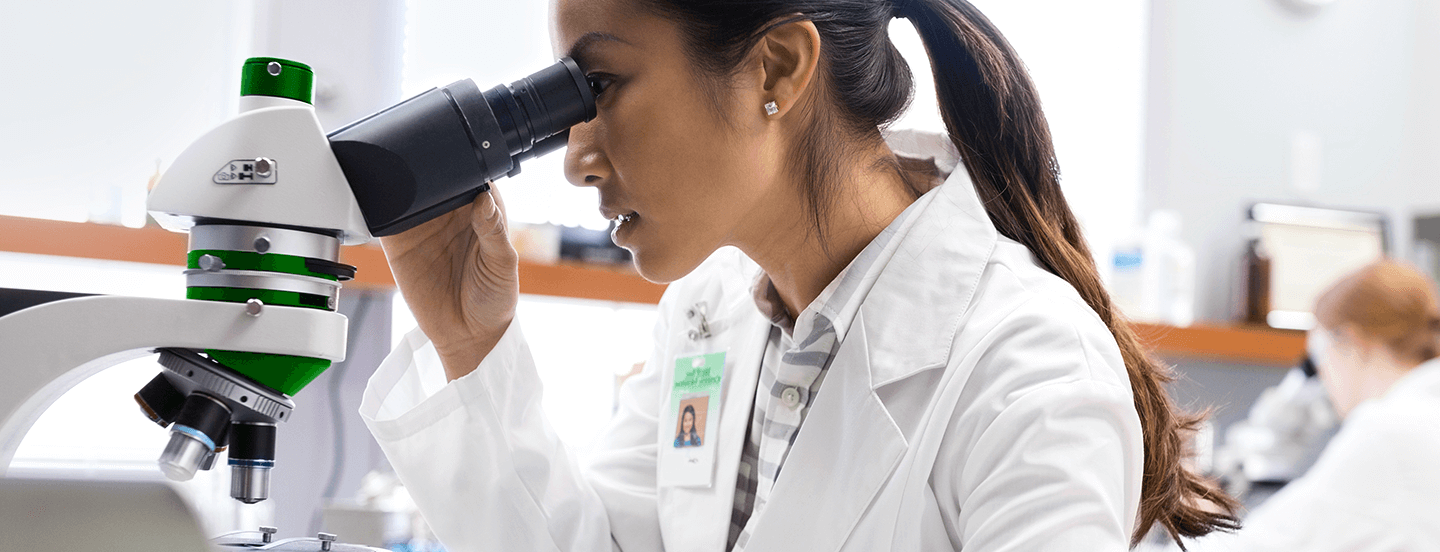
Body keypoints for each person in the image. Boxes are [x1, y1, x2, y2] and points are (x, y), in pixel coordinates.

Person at [359, 0, 1238, 550]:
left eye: (601, 85)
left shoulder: (1027, 369)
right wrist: (471, 344)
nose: (575, 158)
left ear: (777, 67)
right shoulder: (710, 315)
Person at [1197, 260, 1440, 551]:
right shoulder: (1422, 413)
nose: (1324, 378)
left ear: (1351, 341)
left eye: (1320, 356)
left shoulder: (1389, 430)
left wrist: (1199, 521)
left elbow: (1267, 544)